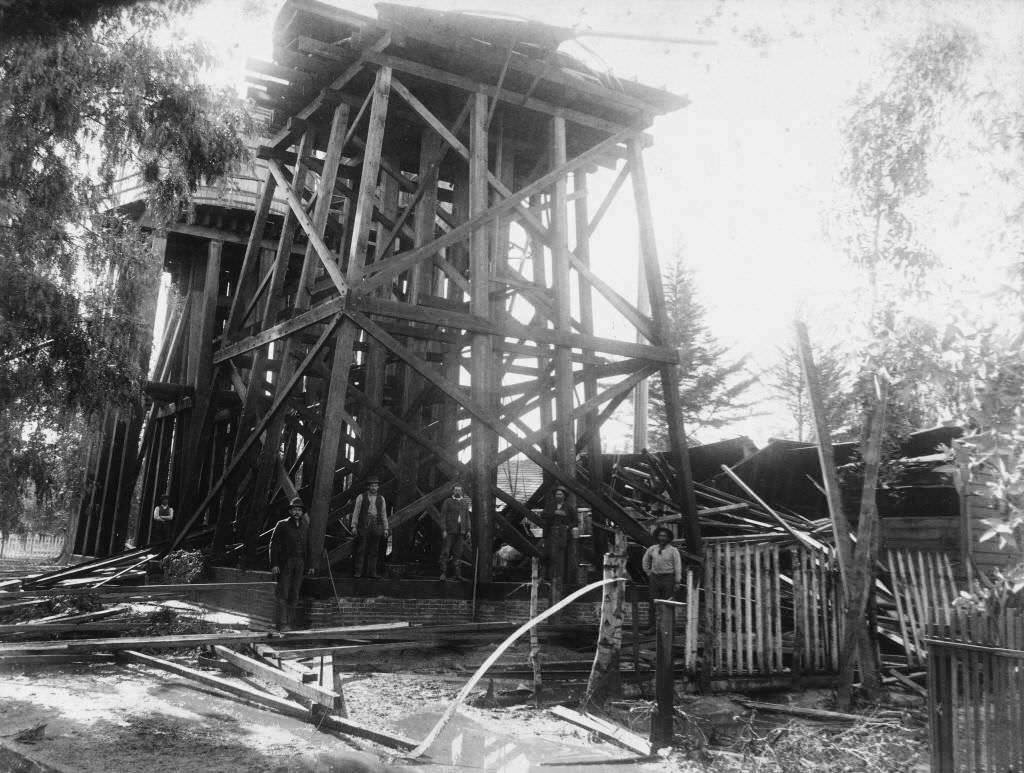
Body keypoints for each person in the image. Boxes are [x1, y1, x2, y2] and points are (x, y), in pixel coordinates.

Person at [269, 497, 314, 631]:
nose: (296, 512)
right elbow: (273, 545)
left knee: (295, 593)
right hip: (286, 563)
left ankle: (290, 622)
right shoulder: (282, 525)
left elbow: (309, 547)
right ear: (290, 511)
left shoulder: (305, 527)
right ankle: (282, 624)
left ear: (302, 512)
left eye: (299, 510)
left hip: (300, 563)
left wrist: (311, 565)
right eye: (294, 509)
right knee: (283, 592)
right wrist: (274, 564)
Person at [349, 476, 389, 579]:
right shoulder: (361, 497)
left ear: (378, 487)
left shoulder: (381, 498)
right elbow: (356, 512)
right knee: (361, 549)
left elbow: (384, 514)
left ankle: (372, 573)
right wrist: (354, 526)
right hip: (364, 525)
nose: (374, 488)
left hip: (376, 526)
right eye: (372, 485)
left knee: (374, 551)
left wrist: (386, 529)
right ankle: (358, 572)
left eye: (376, 485)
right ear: (368, 487)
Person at [642, 526, 682, 629]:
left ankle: (669, 628)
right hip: (655, 578)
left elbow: (678, 566)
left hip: (668, 578)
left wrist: (677, 581)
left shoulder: (673, 550)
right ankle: (652, 627)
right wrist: (648, 573)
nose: (662, 538)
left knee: (668, 602)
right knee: (653, 602)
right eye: (660, 535)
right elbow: (645, 561)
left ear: (668, 538)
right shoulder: (652, 549)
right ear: (657, 537)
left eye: (664, 536)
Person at [543, 485, 576, 583]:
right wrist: (554, 512)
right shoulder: (550, 505)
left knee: (563, 556)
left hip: (564, 535)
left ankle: (563, 578)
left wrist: (568, 527)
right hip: (551, 534)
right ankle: (550, 577)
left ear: (564, 496)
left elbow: (575, 521)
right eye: (557, 494)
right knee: (551, 556)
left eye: (561, 494)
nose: (559, 496)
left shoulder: (569, 507)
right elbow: (543, 515)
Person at [439, 482, 470, 581]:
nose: (457, 491)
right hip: (450, 531)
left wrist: (468, 530)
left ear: (462, 492)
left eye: (459, 490)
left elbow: (467, 517)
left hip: (461, 531)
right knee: (446, 552)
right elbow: (442, 516)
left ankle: (457, 574)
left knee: (458, 553)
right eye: (456, 490)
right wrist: (443, 529)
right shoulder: (447, 502)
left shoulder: (464, 502)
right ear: (453, 491)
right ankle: (443, 573)